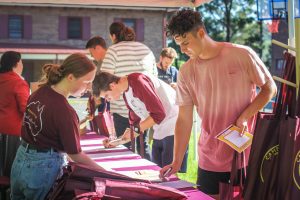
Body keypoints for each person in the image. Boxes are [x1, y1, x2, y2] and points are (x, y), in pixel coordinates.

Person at [159, 9, 277, 199]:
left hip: (244, 154)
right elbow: (184, 118)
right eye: (179, 45)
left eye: (186, 43)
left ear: (201, 33)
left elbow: (269, 89)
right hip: (209, 157)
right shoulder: (186, 71)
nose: (182, 50)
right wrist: (176, 160)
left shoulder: (242, 54)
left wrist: (244, 116)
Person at [10, 53, 104, 200]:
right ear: (71, 77)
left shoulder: (39, 92)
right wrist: (104, 172)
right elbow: (75, 154)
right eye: (87, 82)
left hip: (21, 160)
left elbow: (47, 127)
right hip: (42, 169)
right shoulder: (64, 110)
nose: (89, 88)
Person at [92, 71, 180, 169]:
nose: (108, 100)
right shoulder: (126, 94)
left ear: (112, 86)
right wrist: (117, 142)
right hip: (160, 129)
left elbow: (159, 114)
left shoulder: (138, 81)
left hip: (174, 125)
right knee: (160, 170)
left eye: (107, 96)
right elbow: (135, 127)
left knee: (169, 171)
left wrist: (134, 131)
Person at [101, 22, 157, 160]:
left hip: (122, 108)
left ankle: (126, 180)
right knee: (143, 146)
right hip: (144, 109)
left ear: (113, 36)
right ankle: (149, 177)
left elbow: (104, 80)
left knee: (124, 147)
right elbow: (154, 78)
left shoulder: (113, 50)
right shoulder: (146, 49)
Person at [0, 51, 30, 178]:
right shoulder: (18, 82)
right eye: (22, 62)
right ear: (17, 63)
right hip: (10, 132)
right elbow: (26, 108)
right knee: (9, 170)